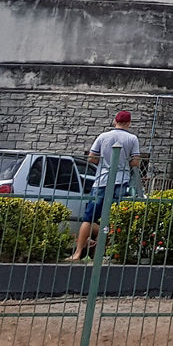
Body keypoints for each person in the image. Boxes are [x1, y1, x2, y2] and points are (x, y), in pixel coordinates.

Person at [68, 110, 141, 261]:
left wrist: (103, 163)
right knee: (115, 218)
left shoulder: (103, 136)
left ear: (115, 121)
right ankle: (108, 253)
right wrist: (124, 162)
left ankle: (77, 253)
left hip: (101, 181)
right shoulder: (132, 139)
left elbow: (92, 158)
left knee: (89, 218)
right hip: (121, 181)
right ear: (129, 123)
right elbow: (135, 162)